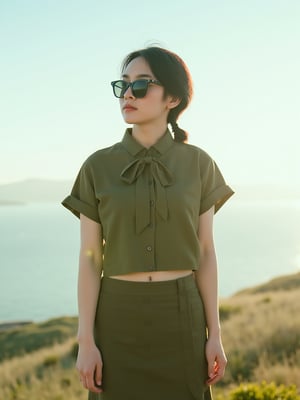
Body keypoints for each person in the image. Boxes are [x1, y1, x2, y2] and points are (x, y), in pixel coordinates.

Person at [62, 46, 234, 400]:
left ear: (172, 97)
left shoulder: (200, 164)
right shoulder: (96, 167)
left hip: (181, 317)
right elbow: (90, 257)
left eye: (140, 85)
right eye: (122, 85)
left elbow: (205, 251)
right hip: (116, 320)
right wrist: (86, 341)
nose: (128, 94)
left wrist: (214, 333)